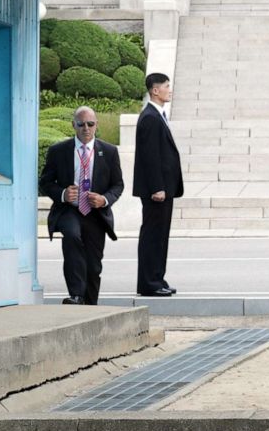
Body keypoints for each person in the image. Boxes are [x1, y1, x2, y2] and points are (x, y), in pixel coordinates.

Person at [40, 107, 124, 306]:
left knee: (93, 266)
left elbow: (118, 185)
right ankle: (76, 295)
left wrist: (103, 199)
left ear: (96, 125)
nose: (86, 128)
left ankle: (90, 306)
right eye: (81, 124)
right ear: (73, 125)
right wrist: (62, 194)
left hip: (96, 214)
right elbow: (45, 182)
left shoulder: (109, 152)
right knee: (72, 236)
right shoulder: (58, 151)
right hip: (69, 210)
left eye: (90, 124)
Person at [133, 73, 183, 297]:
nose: (169, 90)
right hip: (157, 190)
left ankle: (157, 277)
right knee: (153, 235)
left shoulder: (157, 115)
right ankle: (148, 282)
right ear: (155, 90)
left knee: (161, 235)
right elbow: (150, 156)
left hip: (165, 187)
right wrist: (157, 187)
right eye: (166, 86)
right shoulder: (150, 117)